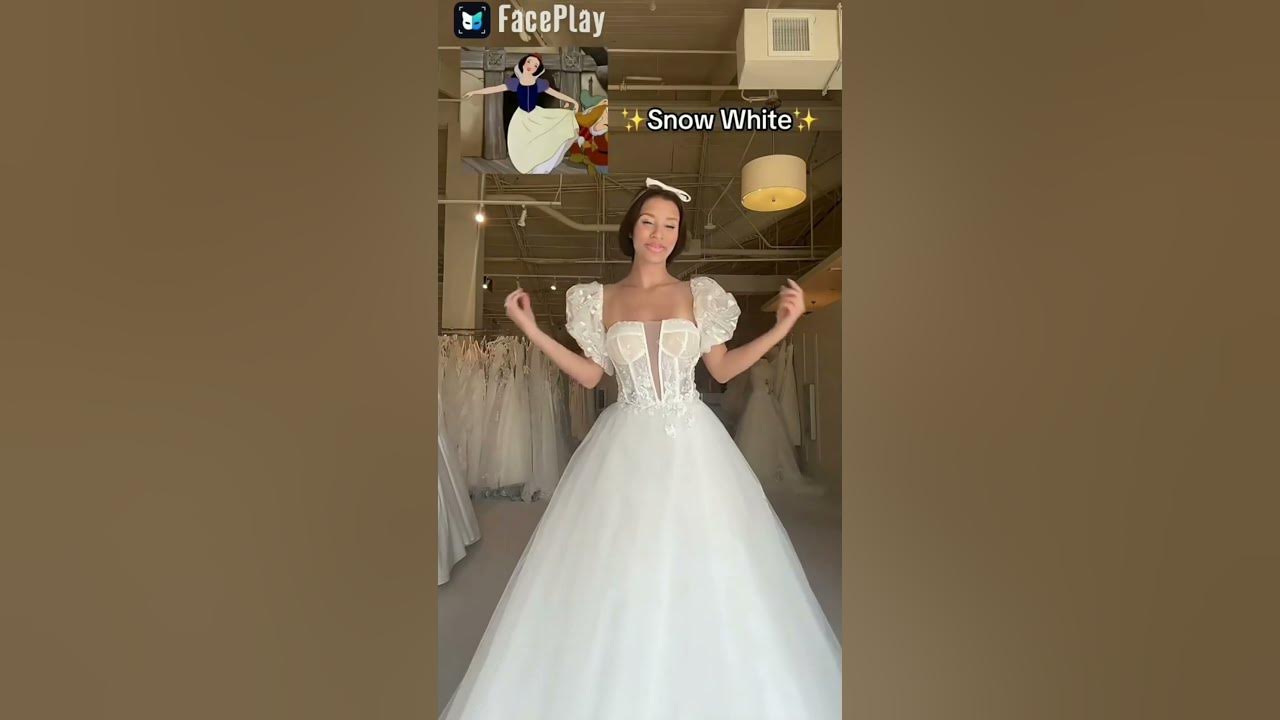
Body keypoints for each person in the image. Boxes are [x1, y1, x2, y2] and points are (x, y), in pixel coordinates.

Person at [439, 178, 842, 719]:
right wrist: (531, 329)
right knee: (618, 560)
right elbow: (591, 375)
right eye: (649, 222)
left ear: (679, 236)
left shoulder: (698, 295)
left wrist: (782, 327)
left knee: (711, 560)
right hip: (625, 441)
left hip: (693, 443)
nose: (659, 234)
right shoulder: (598, 299)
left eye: (671, 225)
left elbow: (722, 368)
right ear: (630, 230)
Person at [463, 53, 580, 174]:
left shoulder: (539, 83)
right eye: (529, 62)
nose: (531, 66)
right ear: (523, 63)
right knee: (522, 143)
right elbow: (494, 89)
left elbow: (556, 94)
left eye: (535, 65)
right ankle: (527, 166)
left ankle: (541, 166)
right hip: (521, 118)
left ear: (537, 69)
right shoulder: (515, 83)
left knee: (540, 140)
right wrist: (474, 92)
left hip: (536, 115)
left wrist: (573, 101)